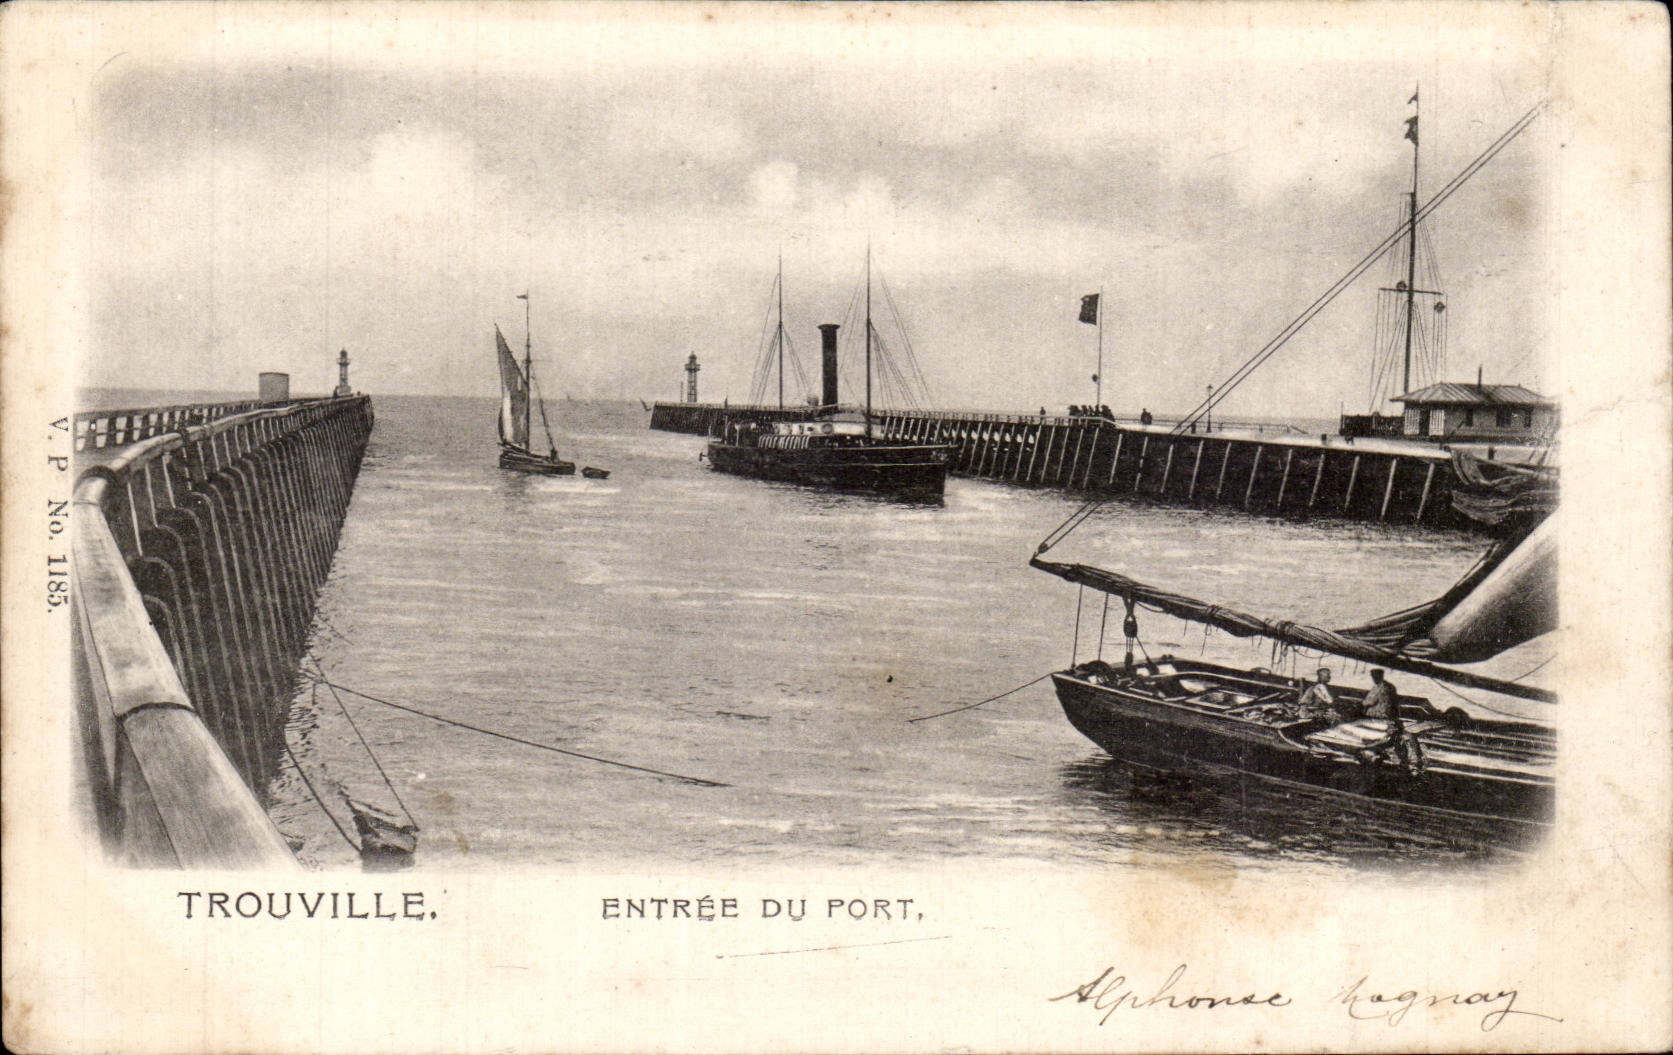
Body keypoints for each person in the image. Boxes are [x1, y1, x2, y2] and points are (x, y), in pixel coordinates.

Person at [1357, 669, 1425, 775]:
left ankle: (1372, 760)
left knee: (1373, 740)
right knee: (1395, 740)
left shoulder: (1379, 687)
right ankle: (1404, 762)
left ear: (1378, 676)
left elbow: (1367, 702)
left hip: (1377, 718)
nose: (1374, 678)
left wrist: (1362, 705)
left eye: (1374, 676)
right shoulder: (1391, 687)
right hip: (1389, 717)